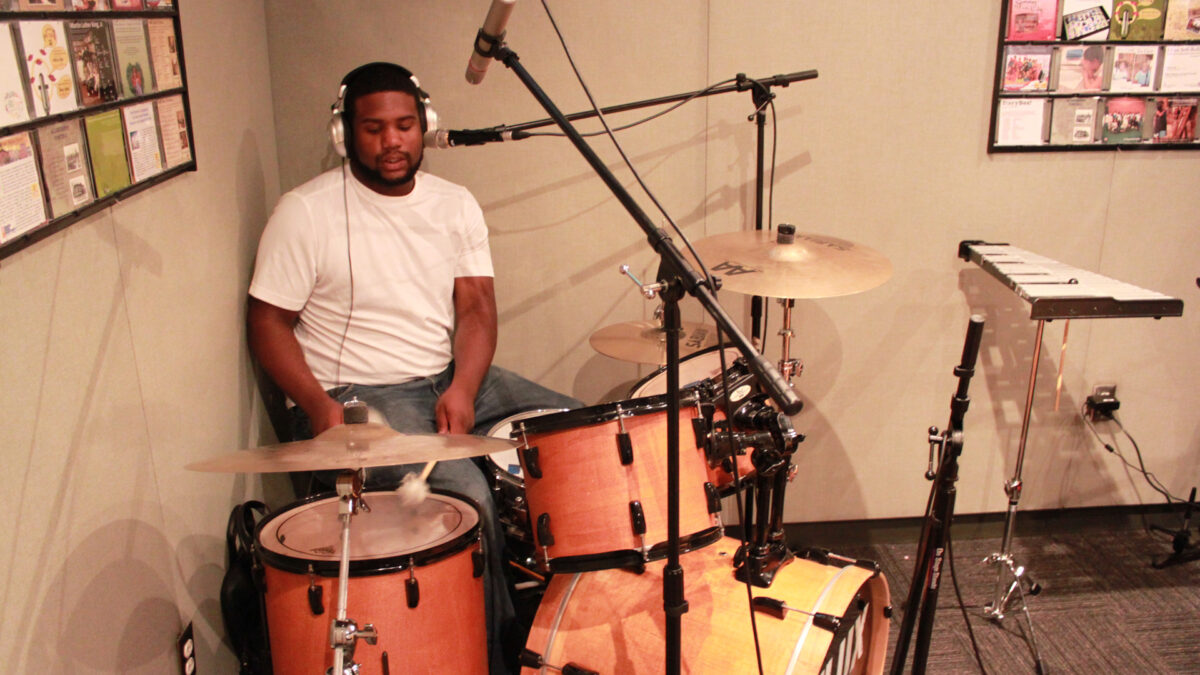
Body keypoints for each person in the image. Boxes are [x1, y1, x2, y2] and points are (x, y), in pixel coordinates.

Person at [247, 62, 580, 674]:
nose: (392, 141)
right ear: (345, 133)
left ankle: (579, 627)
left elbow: (476, 306)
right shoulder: (305, 212)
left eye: (404, 126)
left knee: (578, 440)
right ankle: (496, 658)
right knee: (467, 502)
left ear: (425, 125)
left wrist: (463, 385)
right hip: (360, 394)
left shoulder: (454, 204)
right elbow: (267, 322)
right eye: (373, 128)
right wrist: (321, 408)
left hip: (450, 376)